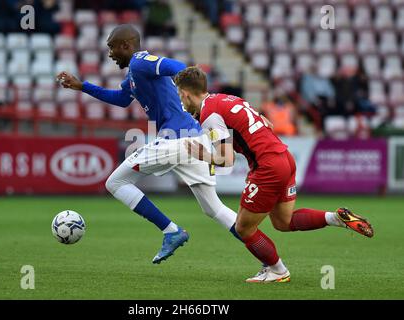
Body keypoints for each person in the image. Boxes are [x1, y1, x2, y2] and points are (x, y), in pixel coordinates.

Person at [57, 25, 240, 264]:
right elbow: (121, 100)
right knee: (214, 210)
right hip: (194, 138)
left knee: (116, 182)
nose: (110, 54)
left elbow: (179, 68)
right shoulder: (133, 75)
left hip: (176, 139)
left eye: (112, 48)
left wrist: (187, 95)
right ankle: (269, 258)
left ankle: (171, 230)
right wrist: (82, 86)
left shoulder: (140, 61)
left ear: (126, 45)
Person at [175, 66, 374, 283]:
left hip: (268, 166)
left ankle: (277, 270)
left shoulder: (209, 114)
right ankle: (335, 218)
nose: (180, 100)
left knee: (243, 227)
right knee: (283, 221)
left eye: (179, 94)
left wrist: (199, 153)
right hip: (284, 157)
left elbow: (226, 159)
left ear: (185, 93)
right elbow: (263, 120)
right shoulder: (227, 99)